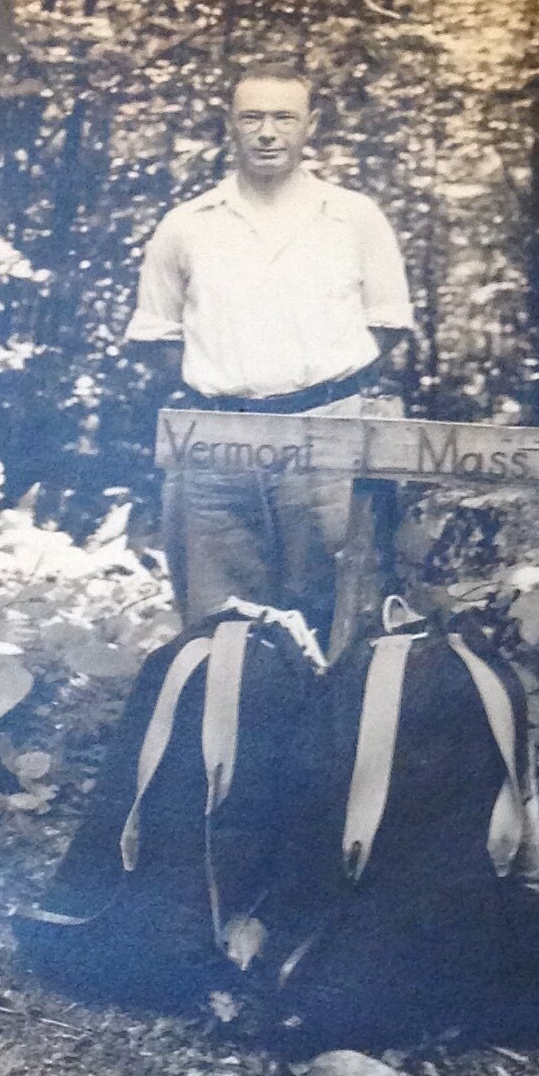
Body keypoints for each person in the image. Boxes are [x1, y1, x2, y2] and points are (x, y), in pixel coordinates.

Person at [127, 50, 416, 638]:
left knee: (341, 615)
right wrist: (233, 385)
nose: (267, 133)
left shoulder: (354, 218)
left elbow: (387, 325)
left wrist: (312, 388)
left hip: (331, 432)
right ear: (229, 124)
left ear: (311, 125)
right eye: (251, 117)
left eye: (284, 118)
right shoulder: (188, 224)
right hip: (217, 443)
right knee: (220, 626)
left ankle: (335, 732)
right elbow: (157, 336)